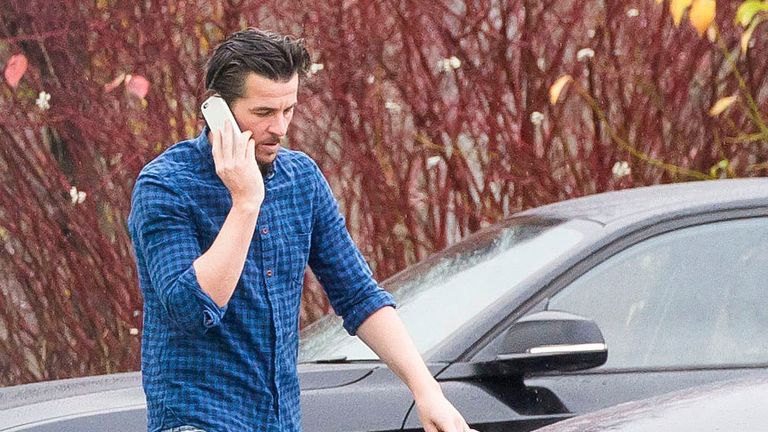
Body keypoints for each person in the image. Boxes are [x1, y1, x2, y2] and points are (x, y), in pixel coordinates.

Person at [128, 28, 475, 432]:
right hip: (196, 421)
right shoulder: (165, 186)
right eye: (263, 113)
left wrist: (426, 390)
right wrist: (245, 202)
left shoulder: (301, 179)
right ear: (215, 110)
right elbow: (190, 310)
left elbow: (358, 294)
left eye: (288, 110)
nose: (279, 128)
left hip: (279, 421)